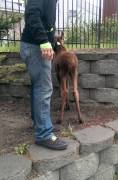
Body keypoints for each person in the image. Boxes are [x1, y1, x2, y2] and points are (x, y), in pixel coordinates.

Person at [20, 0, 68, 150]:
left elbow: (47, 22)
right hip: (36, 47)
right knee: (44, 88)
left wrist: (50, 42)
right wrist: (43, 41)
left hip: (34, 46)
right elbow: (32, 14)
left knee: (38, 87)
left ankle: (40, 124)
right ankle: (44, 134)